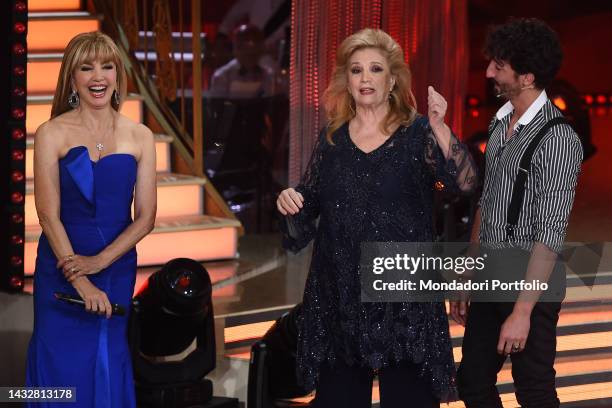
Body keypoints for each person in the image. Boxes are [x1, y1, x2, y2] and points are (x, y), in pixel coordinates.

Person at [276, 28, 478, 407]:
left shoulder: (418, 133)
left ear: (392, 80)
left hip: (402, 294)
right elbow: (312, 199)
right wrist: (292, 198)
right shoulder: (332, 138)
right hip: (341, 294)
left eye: (375, 69)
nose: (365, 78)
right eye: (356, 70)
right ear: (346, 80)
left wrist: (439, 126)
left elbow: (464, 182)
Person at [452, 18, 583, 408]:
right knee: (472, 382)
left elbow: (550, 233)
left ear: (527, 76)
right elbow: (488, 201)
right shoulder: (499, 121)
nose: (489, 71)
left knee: (534, 390)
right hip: (492, 271)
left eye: (498, 65)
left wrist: (523, 312)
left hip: (531, 279)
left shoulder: (559, 138)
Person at [25, 32, 157, 407]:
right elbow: (48, 215)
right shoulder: (51, 133)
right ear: (72, 78)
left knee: (106, 361)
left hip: (114, 267)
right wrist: (80, 278)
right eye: (86, 67)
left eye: (107, 66)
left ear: (118, 75)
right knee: (58, 368)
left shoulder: (141, 136)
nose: (98, 76)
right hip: (61, 266)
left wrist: (99, 263)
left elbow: (145, 218)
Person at [209, 24, 278, 98]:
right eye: (248, 53)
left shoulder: (268, 75)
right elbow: (217, 105)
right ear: (236, 50)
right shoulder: (222, 76)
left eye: (255, 51)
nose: (251, 54)